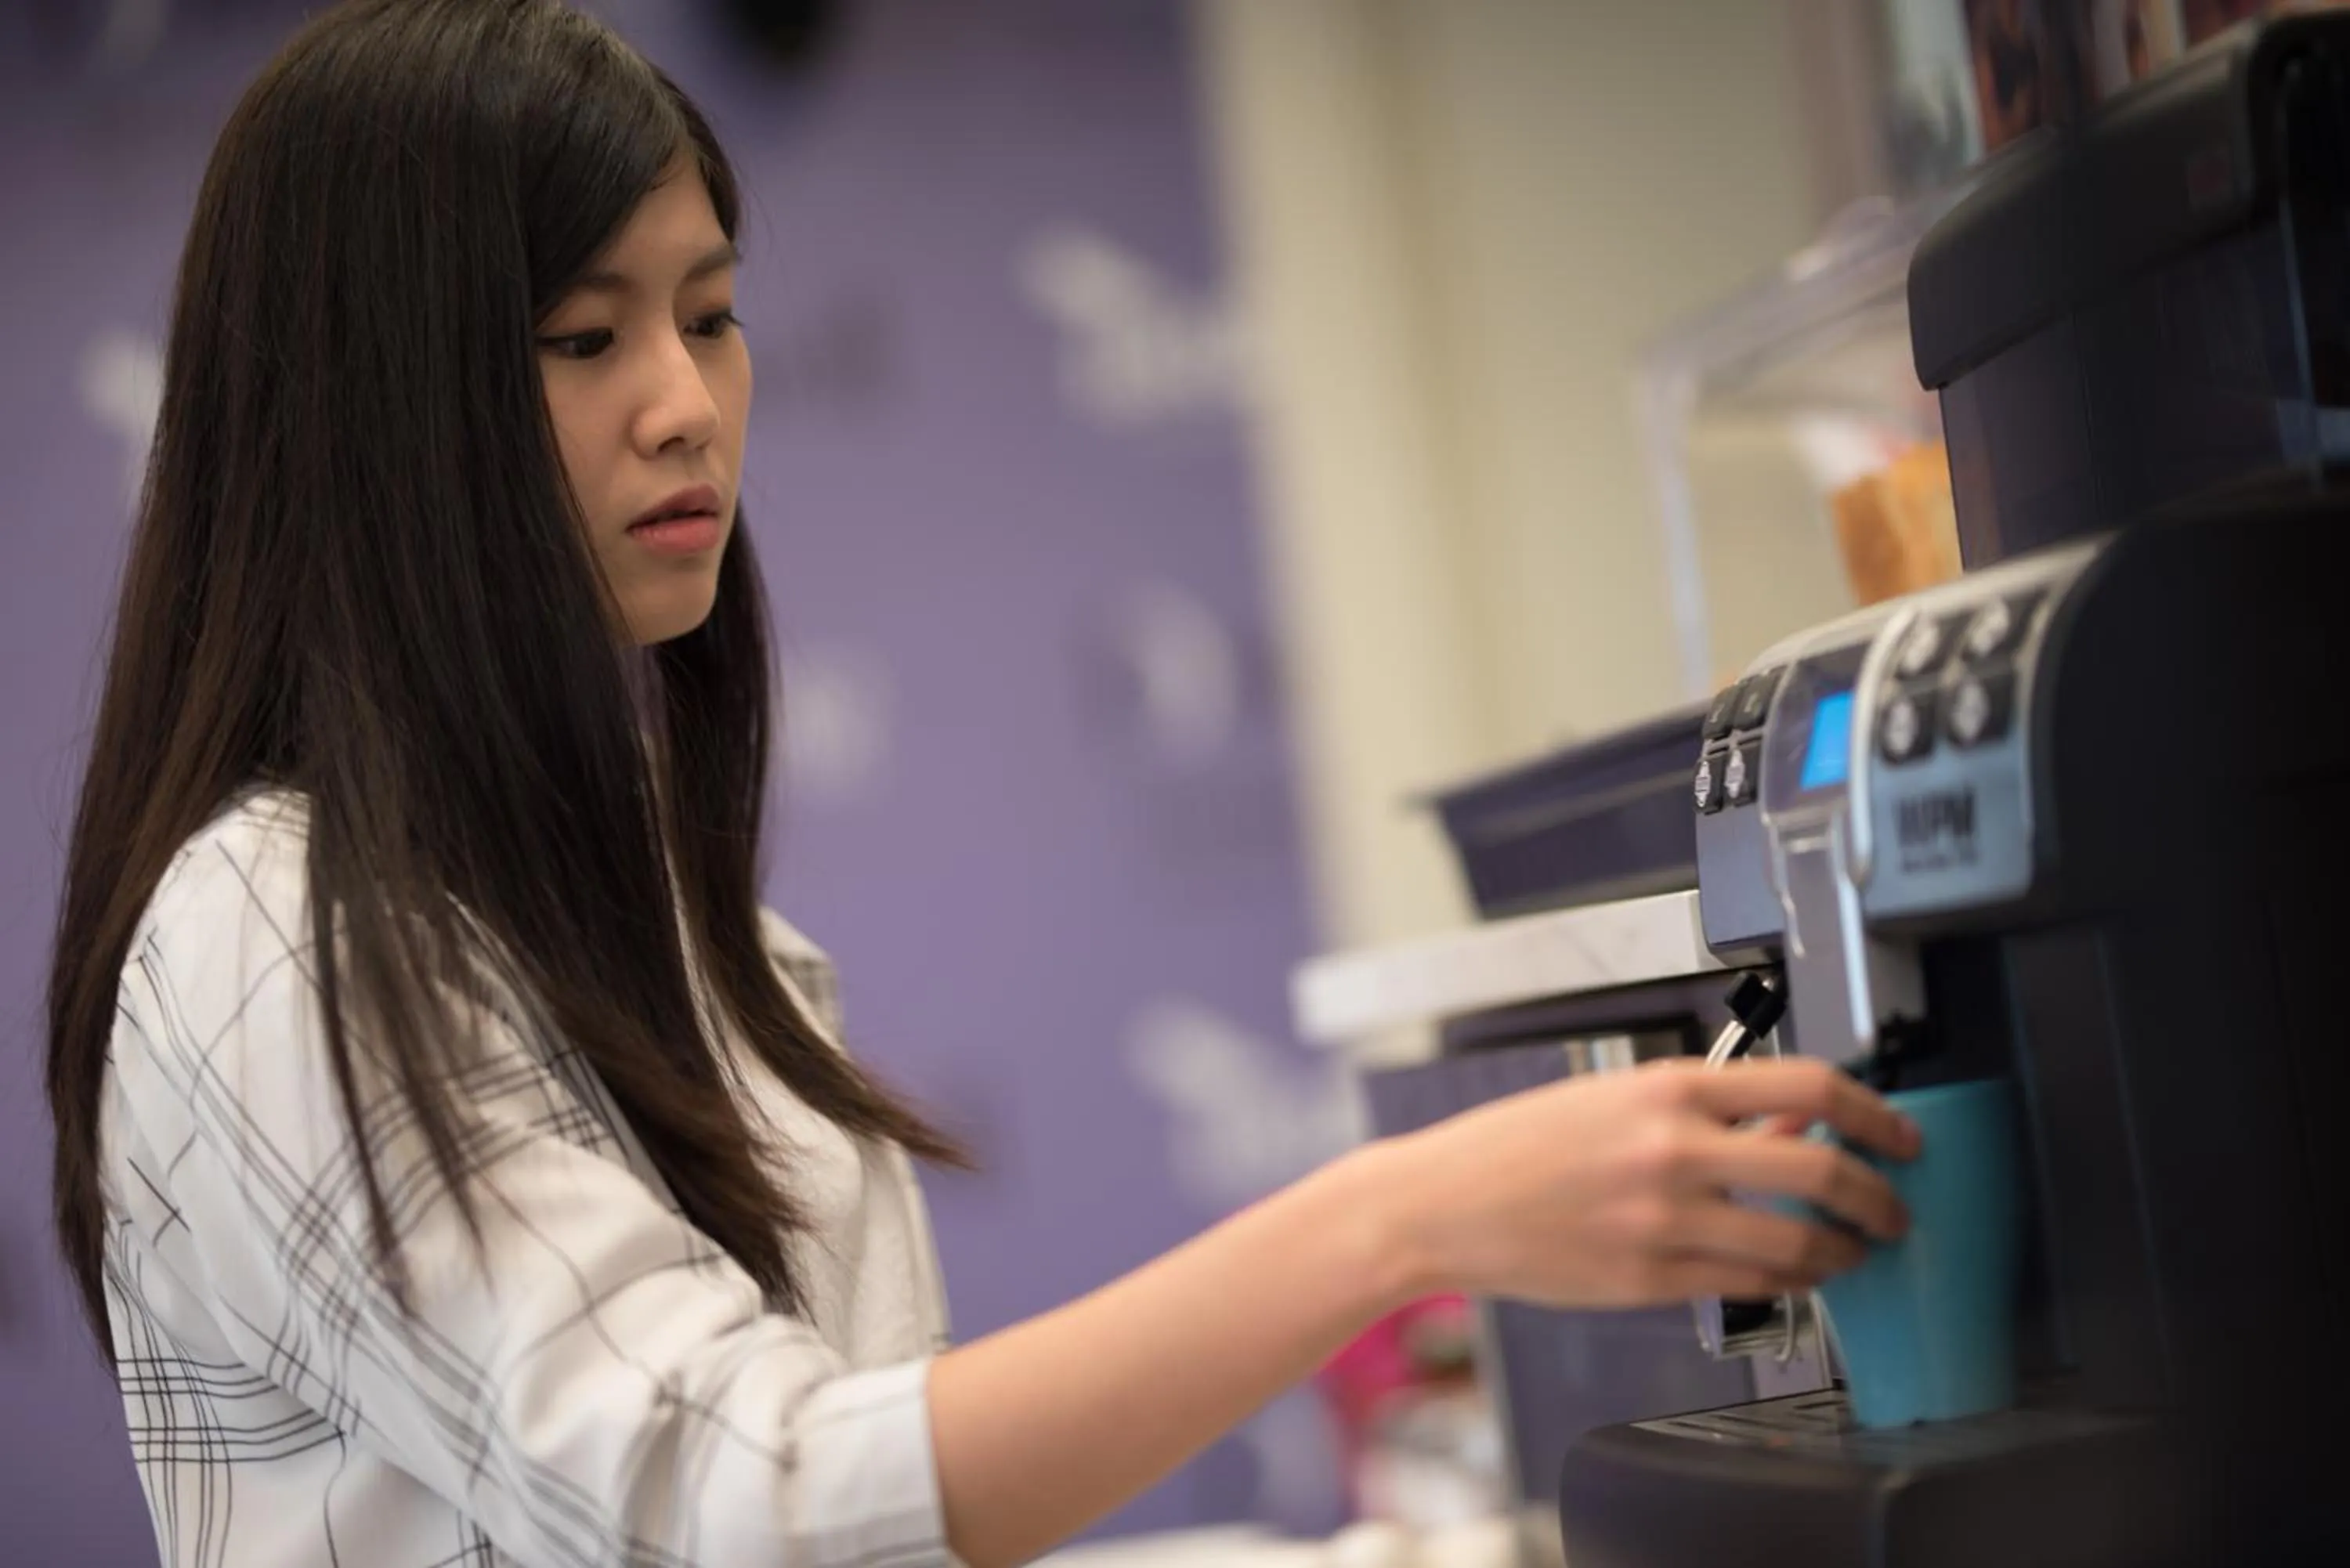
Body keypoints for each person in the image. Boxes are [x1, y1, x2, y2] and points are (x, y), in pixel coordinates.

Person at [42, 3, 1920, 1565]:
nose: (687, 400)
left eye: (709, 312)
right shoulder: (274, 932)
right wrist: (1402, 1218)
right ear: (381, 402)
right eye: (585, 337)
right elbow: (744, 1499)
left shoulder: (676, 932)